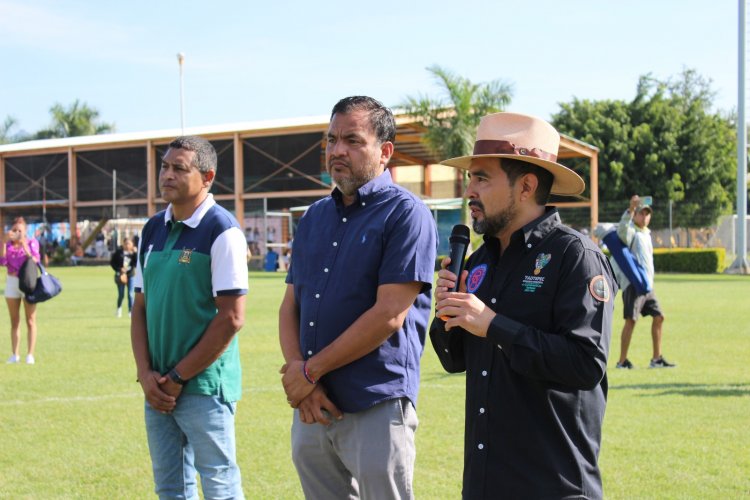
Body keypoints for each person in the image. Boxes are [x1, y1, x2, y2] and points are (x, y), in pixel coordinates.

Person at [429, 112, 617, 499]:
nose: (470, 192)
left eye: (482, 178)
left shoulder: (574, 255)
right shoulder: (479, 260)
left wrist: (492, 324)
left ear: (526, 186)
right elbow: (455, 360)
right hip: (486, 483)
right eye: (470, 178)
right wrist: (448, 312)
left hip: (553, 485)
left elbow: (586, 363)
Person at [278, 96, 438, 499]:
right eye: (331, 140)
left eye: (352, 140)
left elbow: (389, 314)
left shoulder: (406, 214)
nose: (337, 151)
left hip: (376, 403)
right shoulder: (314, 217)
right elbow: (290, 305)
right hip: (313, 407)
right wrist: (301, 375)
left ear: (385, 152)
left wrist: (309, 372)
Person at [130, 135, 248, 499]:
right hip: (158, 386)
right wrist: (145, 374)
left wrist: (179, 376)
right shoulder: (152, 228)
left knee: (219, 485)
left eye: (179, 168)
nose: (167, 174)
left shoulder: (222, 230)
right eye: (165, 166)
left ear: (207, 176)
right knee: (170, 488)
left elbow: (232, 318)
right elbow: (140, 307)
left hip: (203, 387)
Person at [615, 195, 675, 369]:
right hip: (633, 284)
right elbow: (621, 232)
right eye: (641, 214)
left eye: (647, 214)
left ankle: (656, 359)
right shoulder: (631, 231)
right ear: (635, 215)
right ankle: (621, 361)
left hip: (647, 285)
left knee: (659, 317)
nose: (645, 217)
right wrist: (630, 209)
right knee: (630, 320)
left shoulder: (646, 234)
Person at [1, 217, 41, 364]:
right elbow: (3, 261)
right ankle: (15, 354)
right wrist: (4, 244)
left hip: (27, 281)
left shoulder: (31, 243)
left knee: (30, 320)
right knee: (14, 321)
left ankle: (30, 354)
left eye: (20, 230)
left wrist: (25, 246)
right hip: (11, 281)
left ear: (26, 232)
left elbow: (36, 260)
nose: (17, 233)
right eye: (15, 230)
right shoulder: (9, 245)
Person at [109, 237, 136, 318]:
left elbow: (137, 263)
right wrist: (119, 269)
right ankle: (119, 309)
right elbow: (112, 263)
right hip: (121, 276)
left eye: (129, 243)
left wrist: (135, 253)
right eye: (126, 243)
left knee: (130, 294)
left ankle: (131, 311)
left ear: (132, 245)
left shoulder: (133, 253)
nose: (127, 245)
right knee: (121, 294)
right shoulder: (118, 253)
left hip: (130, 275)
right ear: (123, 244)